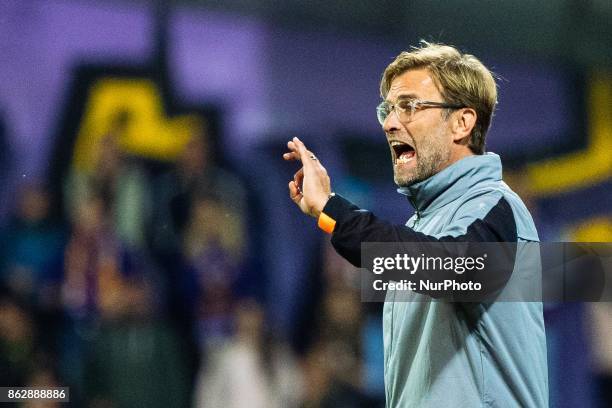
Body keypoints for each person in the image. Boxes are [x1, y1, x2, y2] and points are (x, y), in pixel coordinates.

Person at [283, 41, 548, 407]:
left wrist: (333, 210)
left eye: (409, 107)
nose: (391, 123)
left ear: (461, 122)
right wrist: (330, 215)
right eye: (388, 110)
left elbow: (449, 268)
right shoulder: (426, 225)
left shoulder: (496, 207)